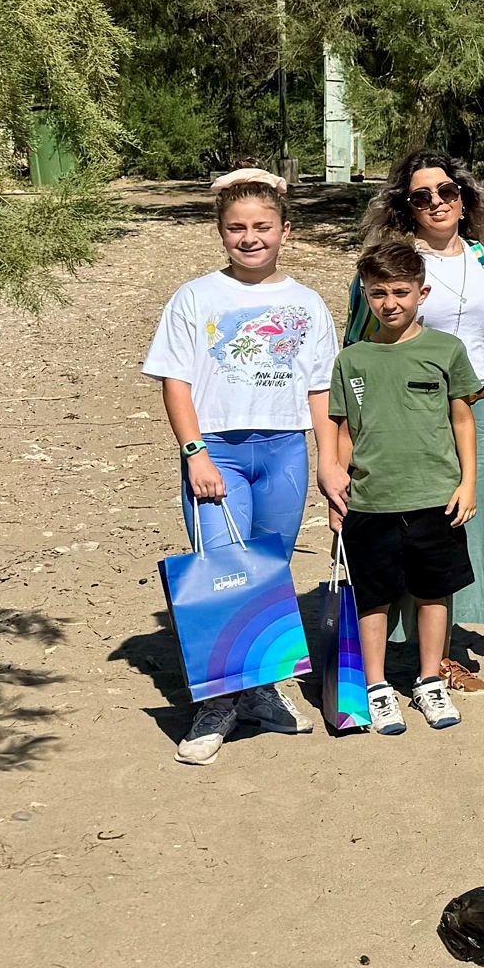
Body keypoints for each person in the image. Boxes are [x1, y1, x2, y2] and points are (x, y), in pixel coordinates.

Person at [142, 169, 338, 764]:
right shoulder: (196, 297)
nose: (249, 238)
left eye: (262, 227)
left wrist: (329, 463)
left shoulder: (305, 303)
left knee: (268, 572)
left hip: (283, 450)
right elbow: (175, 381)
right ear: (220, 233)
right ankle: (218, 705)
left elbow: (321, 391)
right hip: (218, 449)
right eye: (236, 229)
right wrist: (193, 451)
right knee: (224, 569)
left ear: (285, 230)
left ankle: (262, 694)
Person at [348, 150, 484, 692]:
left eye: (446, 191)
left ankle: (442, 652)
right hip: (412, 413)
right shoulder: (392, 267)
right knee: (408, 522)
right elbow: (359, 347)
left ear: (464, 196)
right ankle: (418, 655)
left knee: (468, 521)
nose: (436, 203)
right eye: (421, 195)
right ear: (405, 206)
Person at [327, 238, 484, 736]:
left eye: (400, 291)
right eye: (377, 293)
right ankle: (375, 688)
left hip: (435, 496)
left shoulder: (445, 350)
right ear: (365, 295)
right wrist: (336, 493)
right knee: (373, 598)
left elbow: (463, 419)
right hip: (370, 501)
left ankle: (428, 680)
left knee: (433, 593)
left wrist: (468, 483)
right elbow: (345, 431)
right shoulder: (352, 359)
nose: (389, 303)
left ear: (422, 292)